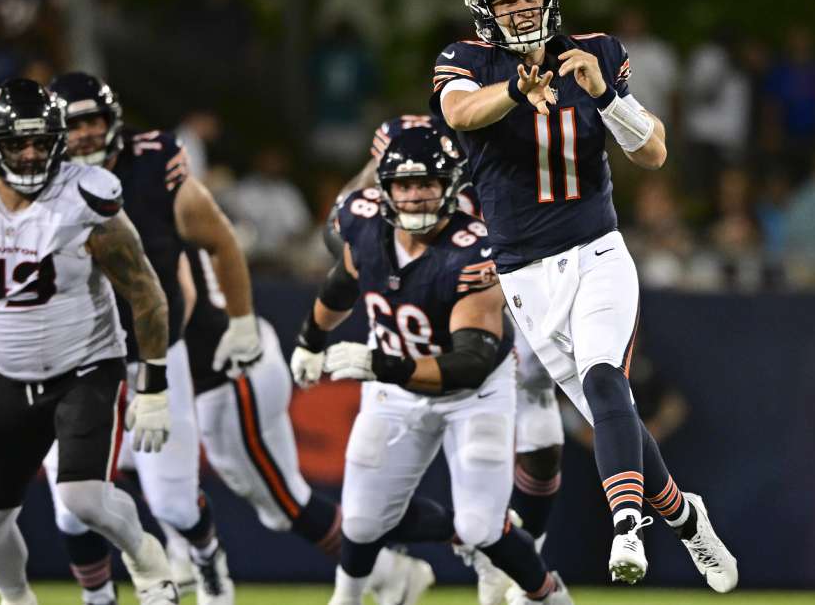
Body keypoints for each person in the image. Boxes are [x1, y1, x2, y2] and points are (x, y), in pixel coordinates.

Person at [432, 0, 737, 590]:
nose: (519, 11)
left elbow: (653, 152)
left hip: (598, 252)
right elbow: (458, 113)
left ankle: (629, 526)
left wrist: (607, 98)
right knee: (607, 414)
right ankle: (686, 520)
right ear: (485, 11)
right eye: (506, 1)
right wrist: (516, 89)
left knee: (606, 385)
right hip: (523, 274)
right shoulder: (466, 62)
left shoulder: (595, 52)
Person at [291, 126, 572, 605]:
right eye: (405, 185)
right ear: (384, 189)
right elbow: (343, 281)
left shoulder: (474, 249)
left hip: (472, 393)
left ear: (452, 187)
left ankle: (547, 596)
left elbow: (472, 361)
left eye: (428, 185)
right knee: (359, 520)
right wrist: (309, 341)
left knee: (481, 525)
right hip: (394, 390)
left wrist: (381, 362)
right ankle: (347, 598)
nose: (417, 197)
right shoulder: (362, 223)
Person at [0, 79, 178, 604]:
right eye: (18, 143)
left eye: (41, 141)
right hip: (9, 376)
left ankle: (146, 555)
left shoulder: (85, 197)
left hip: (84, 368)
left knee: (83, 500)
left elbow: (146, 292)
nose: (32, 154)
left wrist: (153, 388)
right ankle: (17, 599)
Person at [42, 72, 249, 605]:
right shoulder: (31, 177)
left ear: (113, 122)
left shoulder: (154, 163)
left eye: (93, 120)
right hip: (73, 360)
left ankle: (206, 558)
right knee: (70, 505)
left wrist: (240, 321)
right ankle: (100, 596)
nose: (85, 134)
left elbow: (217, 238)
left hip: (151, 352)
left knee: (176, 504)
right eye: (73, 124)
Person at [176, 240, 435, 604]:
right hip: (232, 364)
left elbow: (180, 293)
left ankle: (406, 562)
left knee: (285, 503)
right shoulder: (161, 203)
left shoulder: (141, 210)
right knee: (276, 504)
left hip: (231, 375)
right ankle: (390, 570)